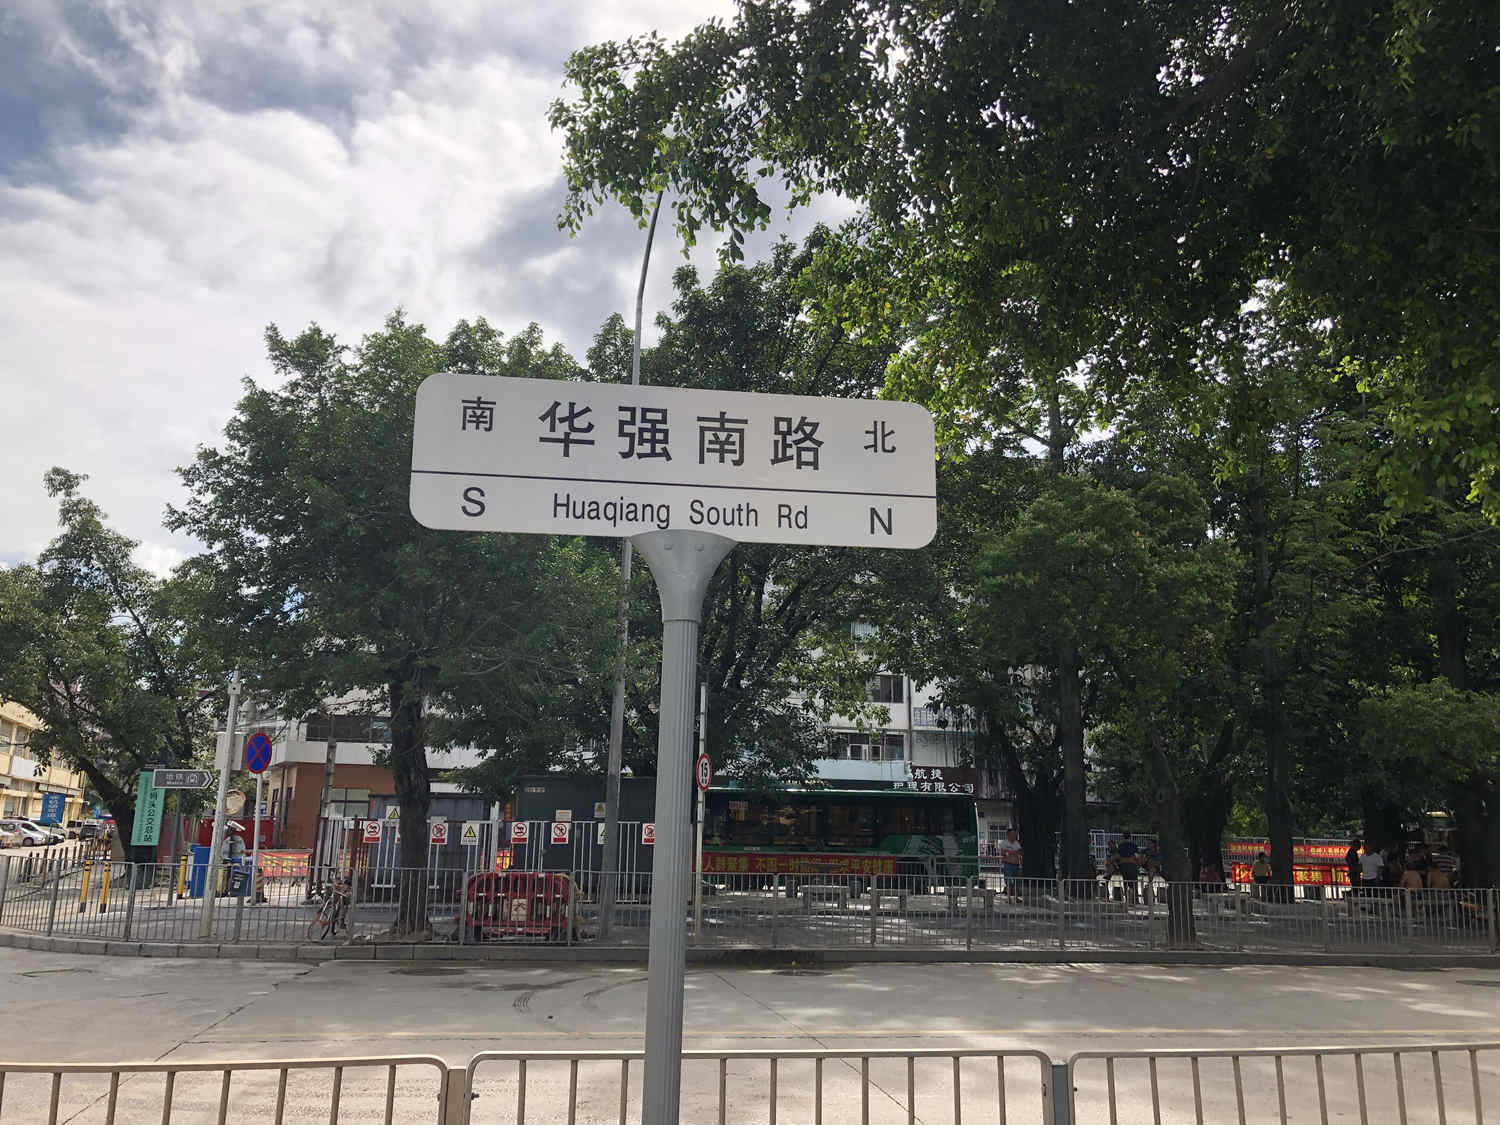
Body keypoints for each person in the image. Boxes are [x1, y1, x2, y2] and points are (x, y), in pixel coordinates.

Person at [999, 828, 1024, 901]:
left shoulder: (1016, 843)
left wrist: (1009, 852)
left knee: (1017, 882)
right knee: (1008, 881)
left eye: (1014, 834)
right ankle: (1008, 898)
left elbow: (1020, 852)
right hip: (1008, 865)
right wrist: (1014, 852)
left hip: (1016, 865)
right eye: (1012, 834)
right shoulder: (1004, 843)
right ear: (1008, 835)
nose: (1014, 835)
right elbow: (1003, 853)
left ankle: (1016, 897)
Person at [1116, 833, 1141, 904]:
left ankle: (1127, 900)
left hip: (1124, 865)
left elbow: (1118, 856)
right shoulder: (1134, 845)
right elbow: (1137, 856)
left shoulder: (1120, 846)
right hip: (1132, 865)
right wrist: (1138, 864)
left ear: (1123, 837)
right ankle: (1134, 900)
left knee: (1125, 882)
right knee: (1133, 883)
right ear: (1130, 837)